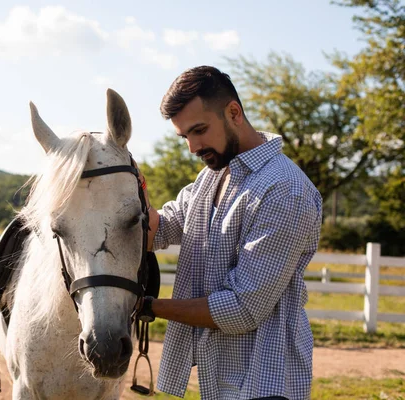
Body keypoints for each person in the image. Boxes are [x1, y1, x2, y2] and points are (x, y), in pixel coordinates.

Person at [136, 66, 323, 400]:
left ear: (234, 112)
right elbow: (164, 227)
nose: (192, 147)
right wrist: (133, 201)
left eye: (199, 130)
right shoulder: (214, 175)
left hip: (266, 382)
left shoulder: (285, 191)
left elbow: (240, 309)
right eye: (185, 137)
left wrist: (147, 306)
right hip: (223, 380)